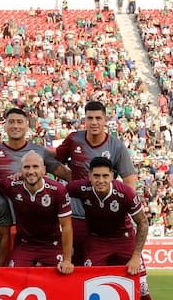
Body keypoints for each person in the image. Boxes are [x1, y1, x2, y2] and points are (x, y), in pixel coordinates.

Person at [67, 157, 166, 300]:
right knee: (86, 286)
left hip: (124, 240)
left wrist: (136, 255)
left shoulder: (125, 192)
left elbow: (143, 223)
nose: (101, 180)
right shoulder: (81, 188)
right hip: (97, 241)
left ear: (112, 176)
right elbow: (57, 191)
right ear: (89, 176)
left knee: (143, 288)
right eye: (96, 176)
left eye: (105, 176)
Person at [55, 101, 135, 266]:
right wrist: (69, 176)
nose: (94, 122)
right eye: (90, 118)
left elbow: (129, 182)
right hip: (77, 216)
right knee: (75, 267)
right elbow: (53, 161)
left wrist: (121, 210)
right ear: (85, 119)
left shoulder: (117, 147)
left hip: (103, 218)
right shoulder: (74, 139)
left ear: (105, 120)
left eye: (98, 118)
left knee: (107, 269)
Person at [0, 151, 73, 274]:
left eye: (35, 167)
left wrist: (67, 260)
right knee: (13, 277)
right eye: (26, 167)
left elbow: (66, 226)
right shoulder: (12, 185)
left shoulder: (58, 190)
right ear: (20, 170)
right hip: (25, 245)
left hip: (52, 245)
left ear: (44, 170)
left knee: (61, 278)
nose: (31, 171)